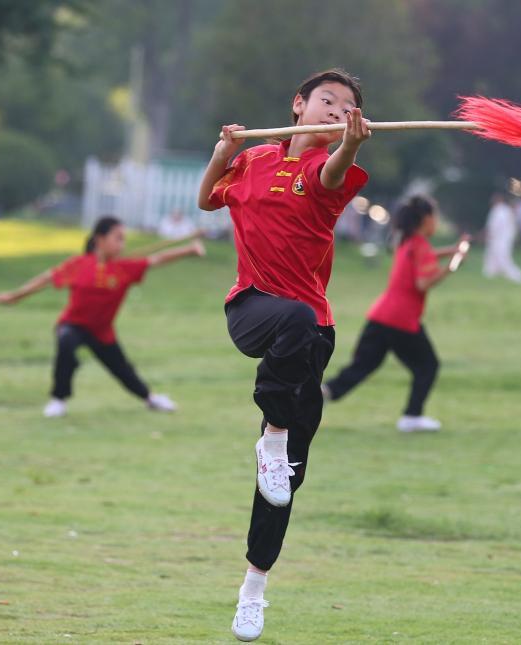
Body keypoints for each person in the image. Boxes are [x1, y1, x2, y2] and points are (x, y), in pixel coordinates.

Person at [196, 69, 371, 642]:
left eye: (346, 108)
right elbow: (206, 199)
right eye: (327, 101)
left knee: (286, 479)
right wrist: (222, 155)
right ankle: (271, 436)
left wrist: (350, 144)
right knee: (291, 316)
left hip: (312, 335)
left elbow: (334, 169)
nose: (335, 111)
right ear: (299, 104)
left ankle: (253, 588)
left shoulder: (327, 170)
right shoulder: (254, 160)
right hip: (252, 309)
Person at [0, 215, 205, 417]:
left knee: (122, 370)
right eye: (117, 238)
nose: (122, 244)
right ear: (99, 239)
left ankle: (150, 399)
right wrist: (15, 296)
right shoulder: (79, 264)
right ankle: (58, 400)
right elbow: (47, 278)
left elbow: (157, 259)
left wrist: (189, 250)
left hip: (102, 332)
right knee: (66, 342)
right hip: (73, 325)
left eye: (123, 239)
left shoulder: (125, 268)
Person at [322, 196, 469, 433]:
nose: (436, 220)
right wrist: (452, 266)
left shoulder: (405, 241)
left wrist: (453, 251)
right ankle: (412, 417)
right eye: (435, 216)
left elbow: (426, 256)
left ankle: (322, 393)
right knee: (428, 365)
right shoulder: (420, 245)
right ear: (426, 219)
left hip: (380, 316)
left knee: (362, 366)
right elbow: (423, 283)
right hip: (402, 321)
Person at [482, 192, 521, 283]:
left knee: (503, 257)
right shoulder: (503, 210)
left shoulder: (500, 210)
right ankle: (491, 273)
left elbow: (496, 226)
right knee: (492, 256)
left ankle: (517, 276)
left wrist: (490, 234)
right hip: (500, 239)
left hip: (501, 239)